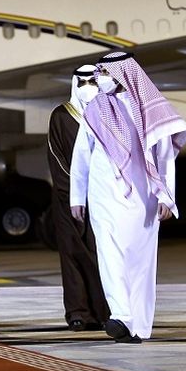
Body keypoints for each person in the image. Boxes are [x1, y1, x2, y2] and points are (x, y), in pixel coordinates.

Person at [70, 52, 186, 343]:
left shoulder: (151, 109)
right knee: (110, 255)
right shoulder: (95, 109)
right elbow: (82, 154)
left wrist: (167, 197)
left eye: (107, 73)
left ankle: (139, 325)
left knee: (140, 260)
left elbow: (164, 159)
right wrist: (78, 197)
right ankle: (121, 316)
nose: (102, 79)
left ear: (124, 74)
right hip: (102, 193)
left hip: (144, 196)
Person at [47, 65, 109, 331]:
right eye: (82, 80)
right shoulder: (61, 116)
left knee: (102, 255)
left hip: (104, 197)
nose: (87, 85)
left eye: (91, 80)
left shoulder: (108, 114)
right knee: (72, 255)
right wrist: (75, 193)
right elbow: (57, 159)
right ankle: (79, 313)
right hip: (68, 199)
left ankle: (105, 311)